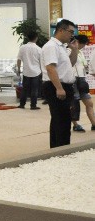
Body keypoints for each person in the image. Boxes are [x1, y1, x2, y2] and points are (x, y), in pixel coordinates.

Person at [40, 19, 78, 148]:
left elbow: (70, 64)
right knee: (62, 121)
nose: (72, 35)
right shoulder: (51, 46)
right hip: (55, 86)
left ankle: (57, 148)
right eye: (70, 32)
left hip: (64, 86)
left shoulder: (61, 47)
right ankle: (61, 149)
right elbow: (50, 68)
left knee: (60, 119)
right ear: (61, 30)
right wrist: (59, 88)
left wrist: (74, 50)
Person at [70, 34, 95, 132]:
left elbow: (84, 65)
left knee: (89, 103)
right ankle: (75, 125)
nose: (84, 46)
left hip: (82, 79)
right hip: (73, 80)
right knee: (75, 104)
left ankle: (94, 123)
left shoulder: (80, 52)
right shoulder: (69, 51)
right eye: (84, 44)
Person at [16, 32, 42, 110]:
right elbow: (41, 62)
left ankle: (22, 104)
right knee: (35, 89)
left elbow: (19, 59)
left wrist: (18, 69)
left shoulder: (23, 47)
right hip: (36, 72)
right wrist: (42, 71)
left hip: (26, 71)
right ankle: (33, 105)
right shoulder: (39, 49)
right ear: (36, 38)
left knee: (25, 89)